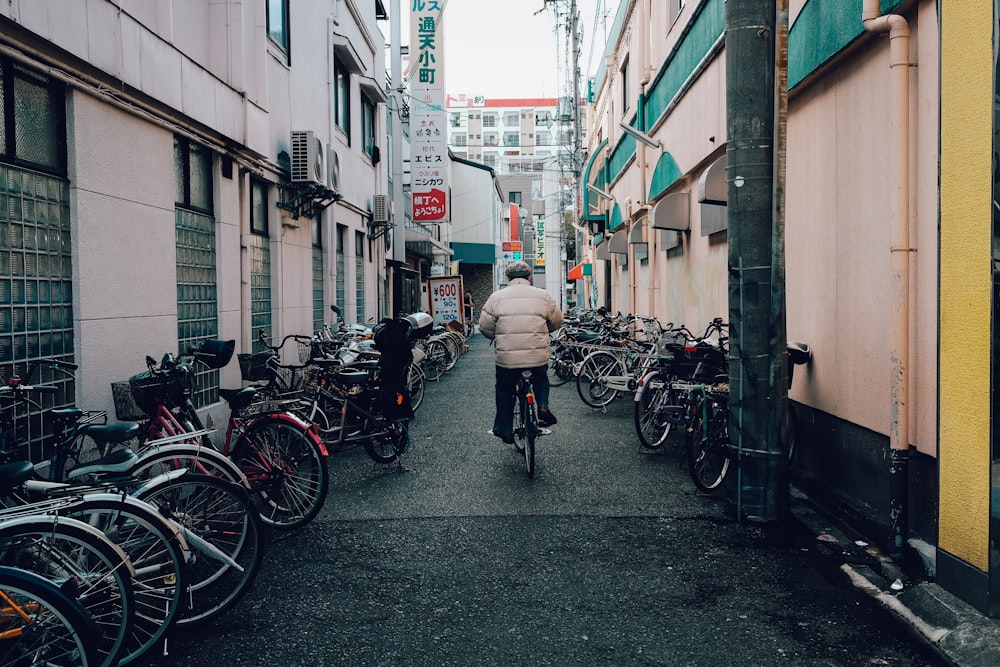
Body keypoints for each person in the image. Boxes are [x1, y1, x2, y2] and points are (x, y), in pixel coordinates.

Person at [478, 261, 563, 444]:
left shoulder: (496, 297)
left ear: (507, 278)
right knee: (540, 377)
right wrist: (544, 329)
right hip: (536, 356)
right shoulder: (543, 296)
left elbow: (485, 326)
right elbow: (557, 321)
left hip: (507, 358)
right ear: (529, 277)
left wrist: (498, 335)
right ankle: (542, 405)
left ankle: (505, 428)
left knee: (504, 388)